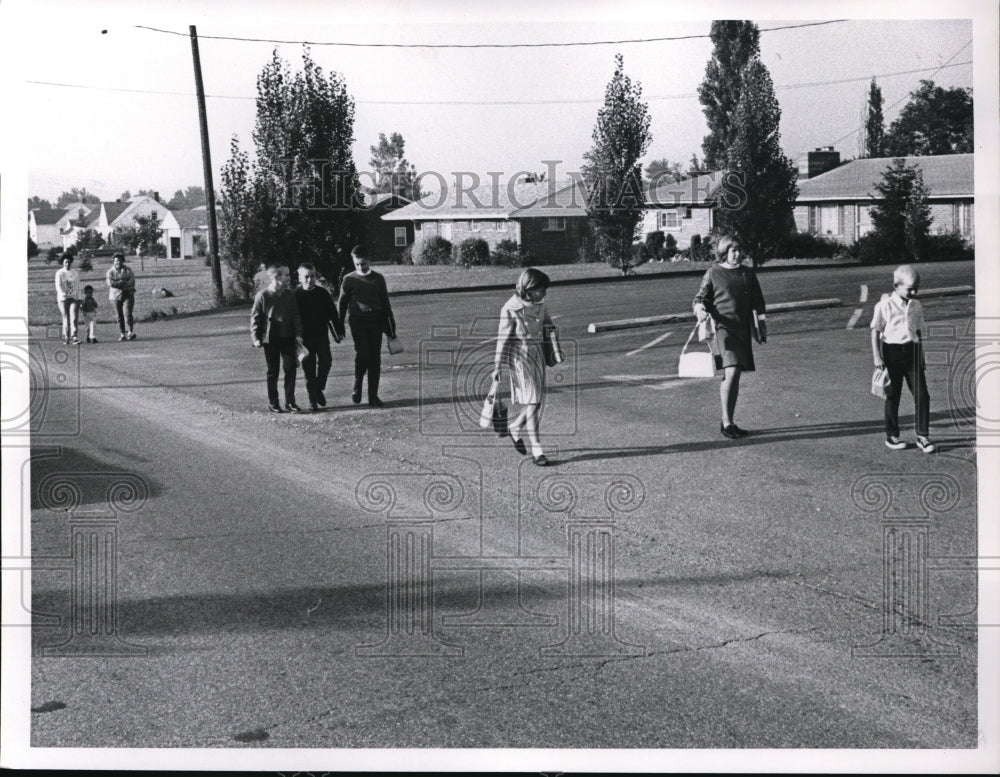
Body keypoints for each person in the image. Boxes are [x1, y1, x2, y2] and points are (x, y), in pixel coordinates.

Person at [692, 234, 767, 439]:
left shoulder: (747, 273)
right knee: (732, 371)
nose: (738, 254)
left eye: (740, 250)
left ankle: (729, 420)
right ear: (724, 252)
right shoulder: (713, 273)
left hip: (742, 328)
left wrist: (760, 327)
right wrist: (700, 310)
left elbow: (758, 302)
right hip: (722, 329)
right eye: (733, 250)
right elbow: (701, 298)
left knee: (734, 374)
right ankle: (727, 423)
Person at [492, 267, 554, 466]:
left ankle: (515, 427)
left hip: (537, 357)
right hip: (520, 359)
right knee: (534, 401)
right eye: (540, 289)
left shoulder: (540, 304)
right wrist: (497, 367)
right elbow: (502, 339)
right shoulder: (510, 308)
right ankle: (537, 450)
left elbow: (548, 324)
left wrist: (555, 346)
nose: (544, 293)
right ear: (529, 288)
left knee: (535, 401)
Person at [870, 264, 936, 453]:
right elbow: (875, 332)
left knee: (922, 395)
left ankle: (923, 436)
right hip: (891, 353)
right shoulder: (884, 305)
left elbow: (917, 331)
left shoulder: (916, 305)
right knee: (893, 395)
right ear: (896, 286)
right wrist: (877, 357)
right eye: (910, 288)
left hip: (912, 353)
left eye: (917, 288)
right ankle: (892, 435)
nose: (914, 292)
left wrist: (921, 355)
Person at [337, 245, 397, 407]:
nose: (360, 267)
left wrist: (391, 327)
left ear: (369, 261)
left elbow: (385, 304)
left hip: (376, 322)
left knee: (375, 359)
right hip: (358, 322)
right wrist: (339, 325)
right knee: (363, 355)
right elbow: (342, 304)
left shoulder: (378, 279)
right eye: (357, 264)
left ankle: (373, 396)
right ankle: (357, 385)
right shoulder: (349, 280)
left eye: (363, 263)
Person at [251, 265, 305, 413]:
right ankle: (273, 402)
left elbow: (296, 316)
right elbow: (255, 318)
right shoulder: (263, 296)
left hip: (288, 338)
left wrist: (299, 334)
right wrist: (256, 337)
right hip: (271, 340)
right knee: (273, 371)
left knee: (290, 368)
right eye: (286, 275)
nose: (289, 277)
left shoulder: (289, 295)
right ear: (276, 277)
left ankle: (290, 402)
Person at [295, 262, 344, 410]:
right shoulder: (295, 295)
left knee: (326, 361)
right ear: (299, 278)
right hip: (304, 339)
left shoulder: (322, 293)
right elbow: (291, 317)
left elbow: (333, 314)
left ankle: (318, 388)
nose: (310, 280)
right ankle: (313, 402)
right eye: (306, 277)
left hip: (321, 335)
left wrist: (339, 329)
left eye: (312, 276)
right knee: (308, 370)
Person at [106, 253, 137, 341]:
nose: (118, 262)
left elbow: (132, 280)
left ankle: (130, 332)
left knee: (127, 314)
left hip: (128, 294)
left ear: (123, 261)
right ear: (114, 261)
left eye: (120, 260)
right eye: (116, 260)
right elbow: (110, 283)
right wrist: (122, 282)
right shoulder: (110, 272)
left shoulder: (128, 270)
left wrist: (123, 283)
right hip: (115, 296)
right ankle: (122, 333)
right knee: (119, 316)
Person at [55, 254, 81, 345]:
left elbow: (78, 286)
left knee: (74, 316)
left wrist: (79, 297)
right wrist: (63, 293)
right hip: (63, 299)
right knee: (66, 317)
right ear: (63, 262)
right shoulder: (59, 273)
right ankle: (66, 336)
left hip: (74, 298)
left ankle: (74, 336)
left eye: (69, 262)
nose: (67, 264)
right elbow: (58, 286)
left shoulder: (75, 273)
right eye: (66, 262)